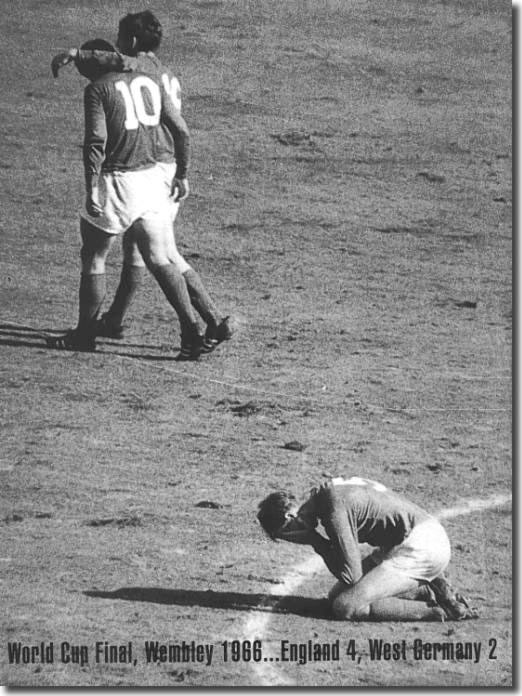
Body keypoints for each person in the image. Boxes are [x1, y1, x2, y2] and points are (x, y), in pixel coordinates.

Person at [51, 11, 232, 355]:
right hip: (162, 175)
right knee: (158, 254)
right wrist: (183, 170)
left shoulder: (110, 82)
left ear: (131, 43)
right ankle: (197, 325)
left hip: (131, 173)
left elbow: (95, 142)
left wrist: (78, 56)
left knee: (96, 255)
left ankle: (86, 333)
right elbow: (180, 128)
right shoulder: (156, 74)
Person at [257, 476, 479, 622]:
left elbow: (351, 575)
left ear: (289, 517)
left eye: (285, 535)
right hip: (414, 536)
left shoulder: (331, 508)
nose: (291, 540)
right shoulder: (327, 494)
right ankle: (431, 588)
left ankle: (437, 611)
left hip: (421, 547)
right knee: (335, 594)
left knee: (345, 605)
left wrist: (316, 541)